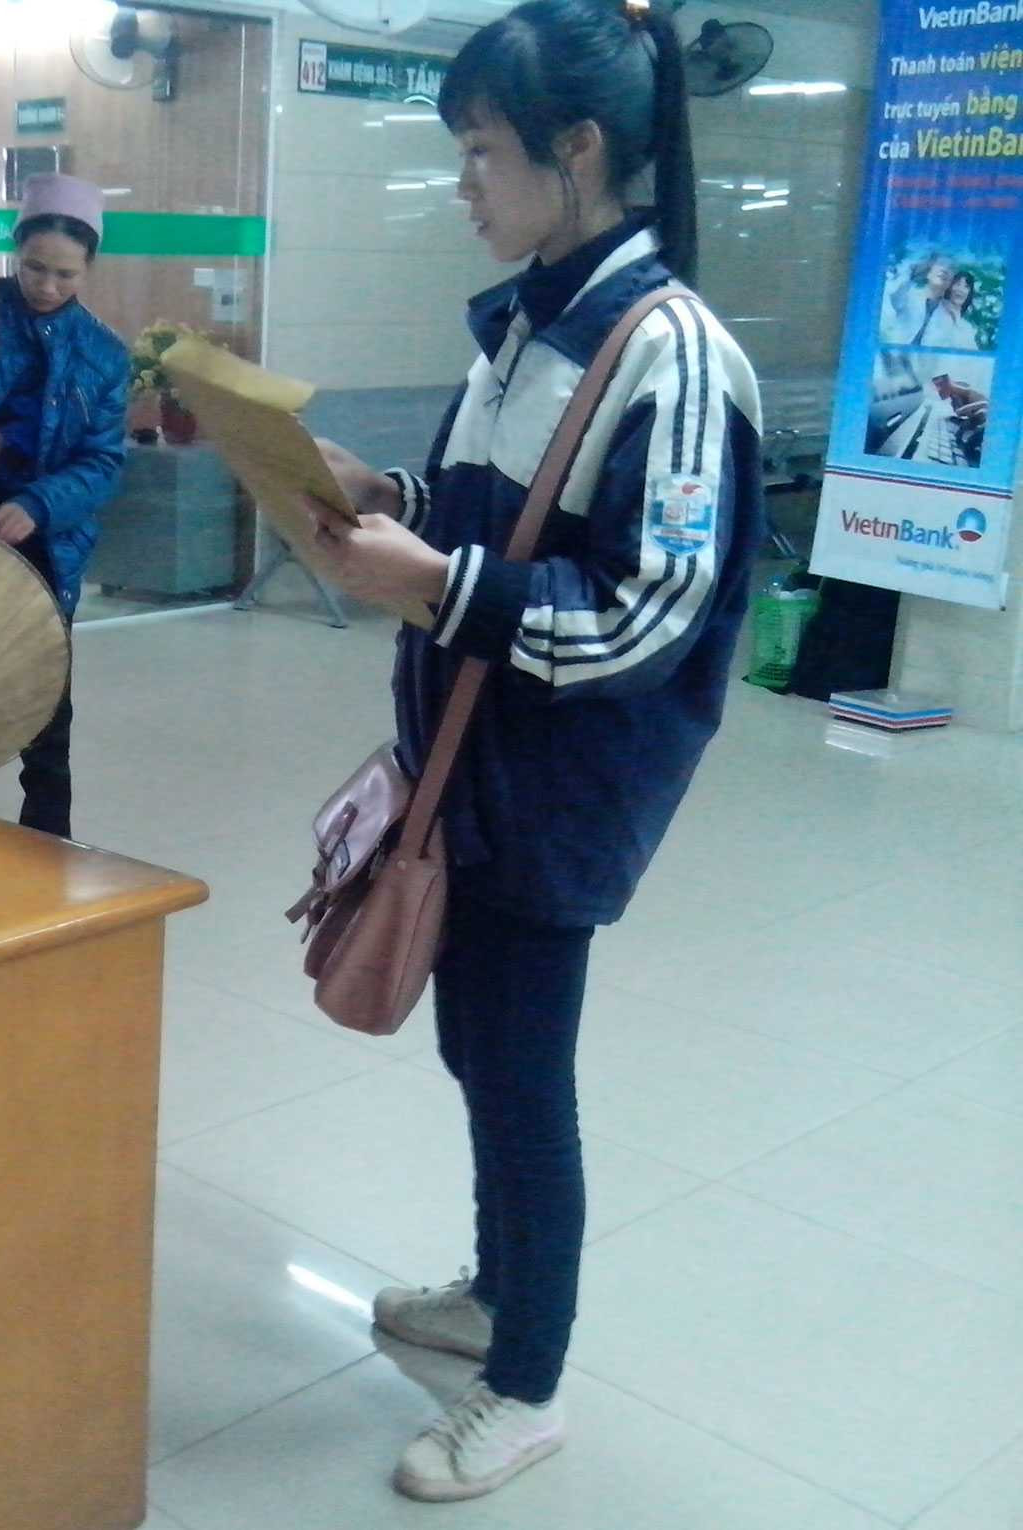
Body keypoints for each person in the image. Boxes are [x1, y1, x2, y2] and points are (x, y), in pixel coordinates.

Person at [298, 0, 764, 1503]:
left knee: (519, 1075)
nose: (464, 186)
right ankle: (499, 1292)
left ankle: (528, 1381)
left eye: (483, 155)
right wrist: (384, 494)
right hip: (472, 770)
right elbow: (493, 507)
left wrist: (436, 585)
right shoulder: (529, 324)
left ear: (580, 151)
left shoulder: (672, 355)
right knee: (477, 1045)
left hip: (555, 796)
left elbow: (648, 616)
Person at [0, 173, 128, 839]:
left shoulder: (104, 353)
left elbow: (104, 463)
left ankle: (49, 843)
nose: (47, 286)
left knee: (47, 703)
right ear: (15, 253)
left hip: (43, 539)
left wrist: (40, 504)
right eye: (34, 268)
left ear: (89, 269)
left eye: (65, 274)